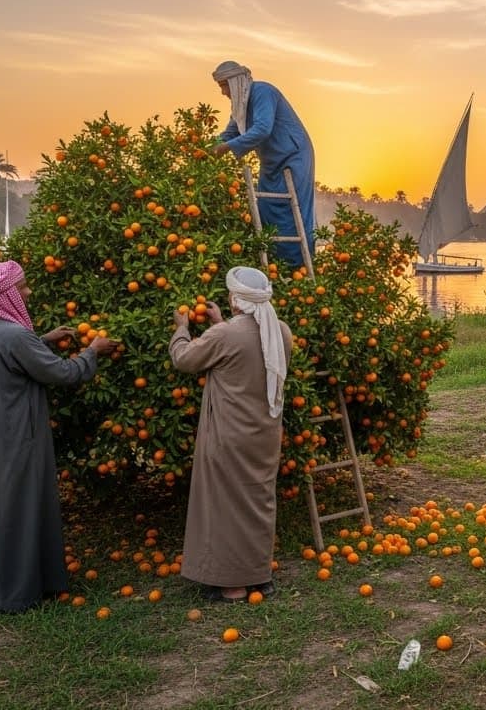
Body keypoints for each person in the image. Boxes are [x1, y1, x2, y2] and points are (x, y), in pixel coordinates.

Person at [0, 261, 118, 611]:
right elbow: (62, 373)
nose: (29, 292)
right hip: (14, 437)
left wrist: (43, 341)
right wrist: (93, 350)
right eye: (24, 287)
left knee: (0, 508)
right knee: (19, 507)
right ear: (6, 294)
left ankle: (4, 586)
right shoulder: (15, 336)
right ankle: (16, 594)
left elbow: (15, 356)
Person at [171, 266, 291, 602]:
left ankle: (232, 584)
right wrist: (220, 324)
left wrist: (182, 330)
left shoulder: (223, 335)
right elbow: (250, 354)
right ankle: (259, 575)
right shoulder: (280, 331)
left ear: (234, 298)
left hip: (228, 434)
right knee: (258, 502)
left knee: (224, 505)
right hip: (265, 432)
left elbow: (184, 359)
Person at [211, 60, 317, 267]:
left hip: (293, 156)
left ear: (234, 82)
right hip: (270, 162)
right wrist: (208, 147)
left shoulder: (262, 92)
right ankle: (275, 265)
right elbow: (229, 134)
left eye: (224, 86)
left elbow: (262, 129)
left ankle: (298, 269)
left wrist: (225, 148)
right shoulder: (240, 107)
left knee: (291, 212)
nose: (223, 92)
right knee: (267, 210)